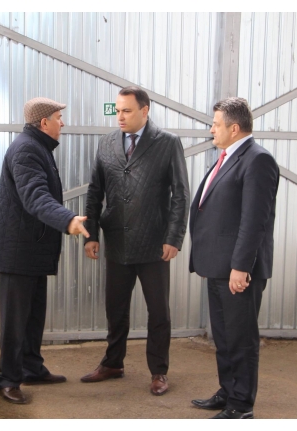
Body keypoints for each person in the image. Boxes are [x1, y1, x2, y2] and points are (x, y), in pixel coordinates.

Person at [80, 86, 190, 396]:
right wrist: (91, 235)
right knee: (115, 309)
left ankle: (159, 371)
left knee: (159, 312)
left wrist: (173, 238)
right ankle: (113, 363)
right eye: (117, 110)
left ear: (145, 111)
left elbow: (180, 194)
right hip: (116, 241)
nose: (120, 116)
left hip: (154, 244)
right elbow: (95, 191)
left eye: (126, 111)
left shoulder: (167, 143)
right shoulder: (107, 143)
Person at [0, 97, 90, 404]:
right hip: (17, 253)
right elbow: (35, 196)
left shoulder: (38, 147)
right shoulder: (27, 149)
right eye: (59, 117)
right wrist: (67, 219)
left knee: (32, 318)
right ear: (44, 122)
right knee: (15, 322)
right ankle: (8, 379)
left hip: (31, 251)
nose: (63, 122)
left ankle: (31, 368)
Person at [189, 97, 279, 419]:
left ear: (234, 128)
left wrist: (240, 267)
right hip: (218, 266)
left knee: (240, 338)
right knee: (225, 336)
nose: (211, 130)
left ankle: (241, 405)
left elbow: (254, 221)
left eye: (216, 124)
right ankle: (228, 391)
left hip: (238, 270)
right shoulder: (228, 157)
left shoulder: (257, 160)